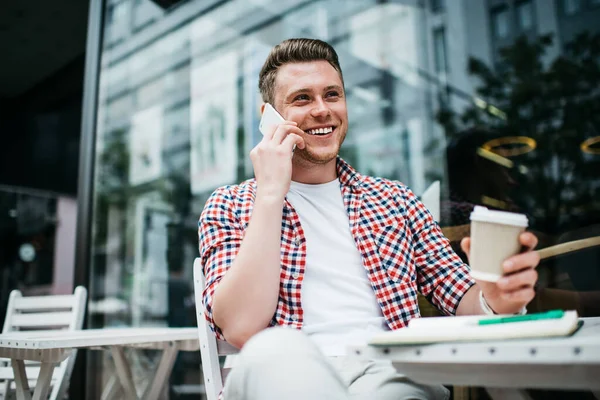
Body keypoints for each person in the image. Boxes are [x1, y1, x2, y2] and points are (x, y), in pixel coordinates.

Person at [197, 38, 540, 400]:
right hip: (281, 376)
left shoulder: (396, 201)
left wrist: (498, 296)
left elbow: (463, 297)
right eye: (302, 98)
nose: (322, 110)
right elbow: (240, 327)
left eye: (332, 95)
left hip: (385, 372)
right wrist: (270, 195)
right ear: (269, 117)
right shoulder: (230, 204)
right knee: (275, 347)